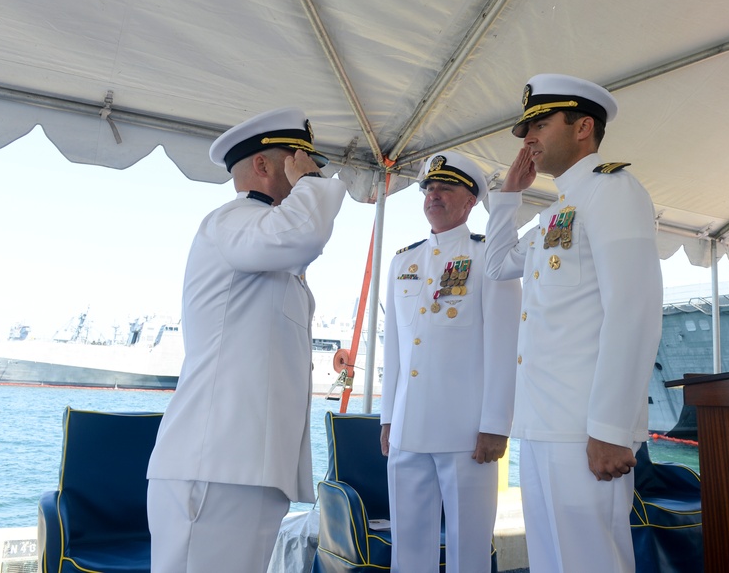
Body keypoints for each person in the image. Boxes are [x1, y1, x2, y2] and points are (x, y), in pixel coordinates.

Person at [146, 107, 346, 573]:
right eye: (300, 164)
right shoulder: (232, 223)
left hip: (248, 467)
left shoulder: (265, 244)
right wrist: (313, 186)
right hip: (215, 465)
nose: (311, 174)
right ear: (263, 166)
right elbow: (305, 232)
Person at [484, 74, 663, 573]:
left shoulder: (613, 190)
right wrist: (508, 196)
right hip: (543, 427)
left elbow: (635, 309)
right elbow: (496, 265)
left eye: (538, 123)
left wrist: (610, 428)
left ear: (583, 126)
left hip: (587, 431)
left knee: (589, 563)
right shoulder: (555, 214)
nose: (527, 139)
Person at [380, 151, 521, 573]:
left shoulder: (488, 259)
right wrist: (388, 418)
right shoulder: (403, 261)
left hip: (467, 434)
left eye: (446, 187)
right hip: (407, 429)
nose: (433, 195)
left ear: (470, 201)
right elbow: (395, 349)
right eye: (429, 188)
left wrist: (496, 425)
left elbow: (505, 345)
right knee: (409, 543)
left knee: (469, 547)